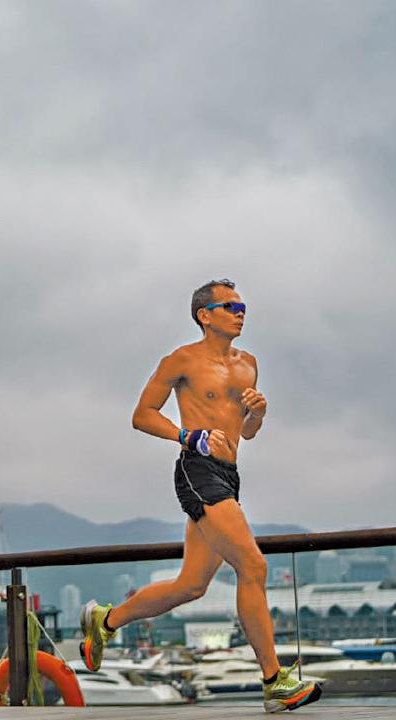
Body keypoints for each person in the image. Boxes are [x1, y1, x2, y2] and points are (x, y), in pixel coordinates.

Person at [79, 279, 322, 713]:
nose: (240, 313)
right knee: (253, 565)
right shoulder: (182, 360)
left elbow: (246, 432)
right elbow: (142, 415)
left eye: (243, 307)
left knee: (191, 585)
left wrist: (257, 414)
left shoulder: (248, 364)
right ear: (204, 315)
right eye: (230, 307)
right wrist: (188, 436)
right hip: (197, 469)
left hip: (229, 474)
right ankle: (274, 682)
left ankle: (106, 620)